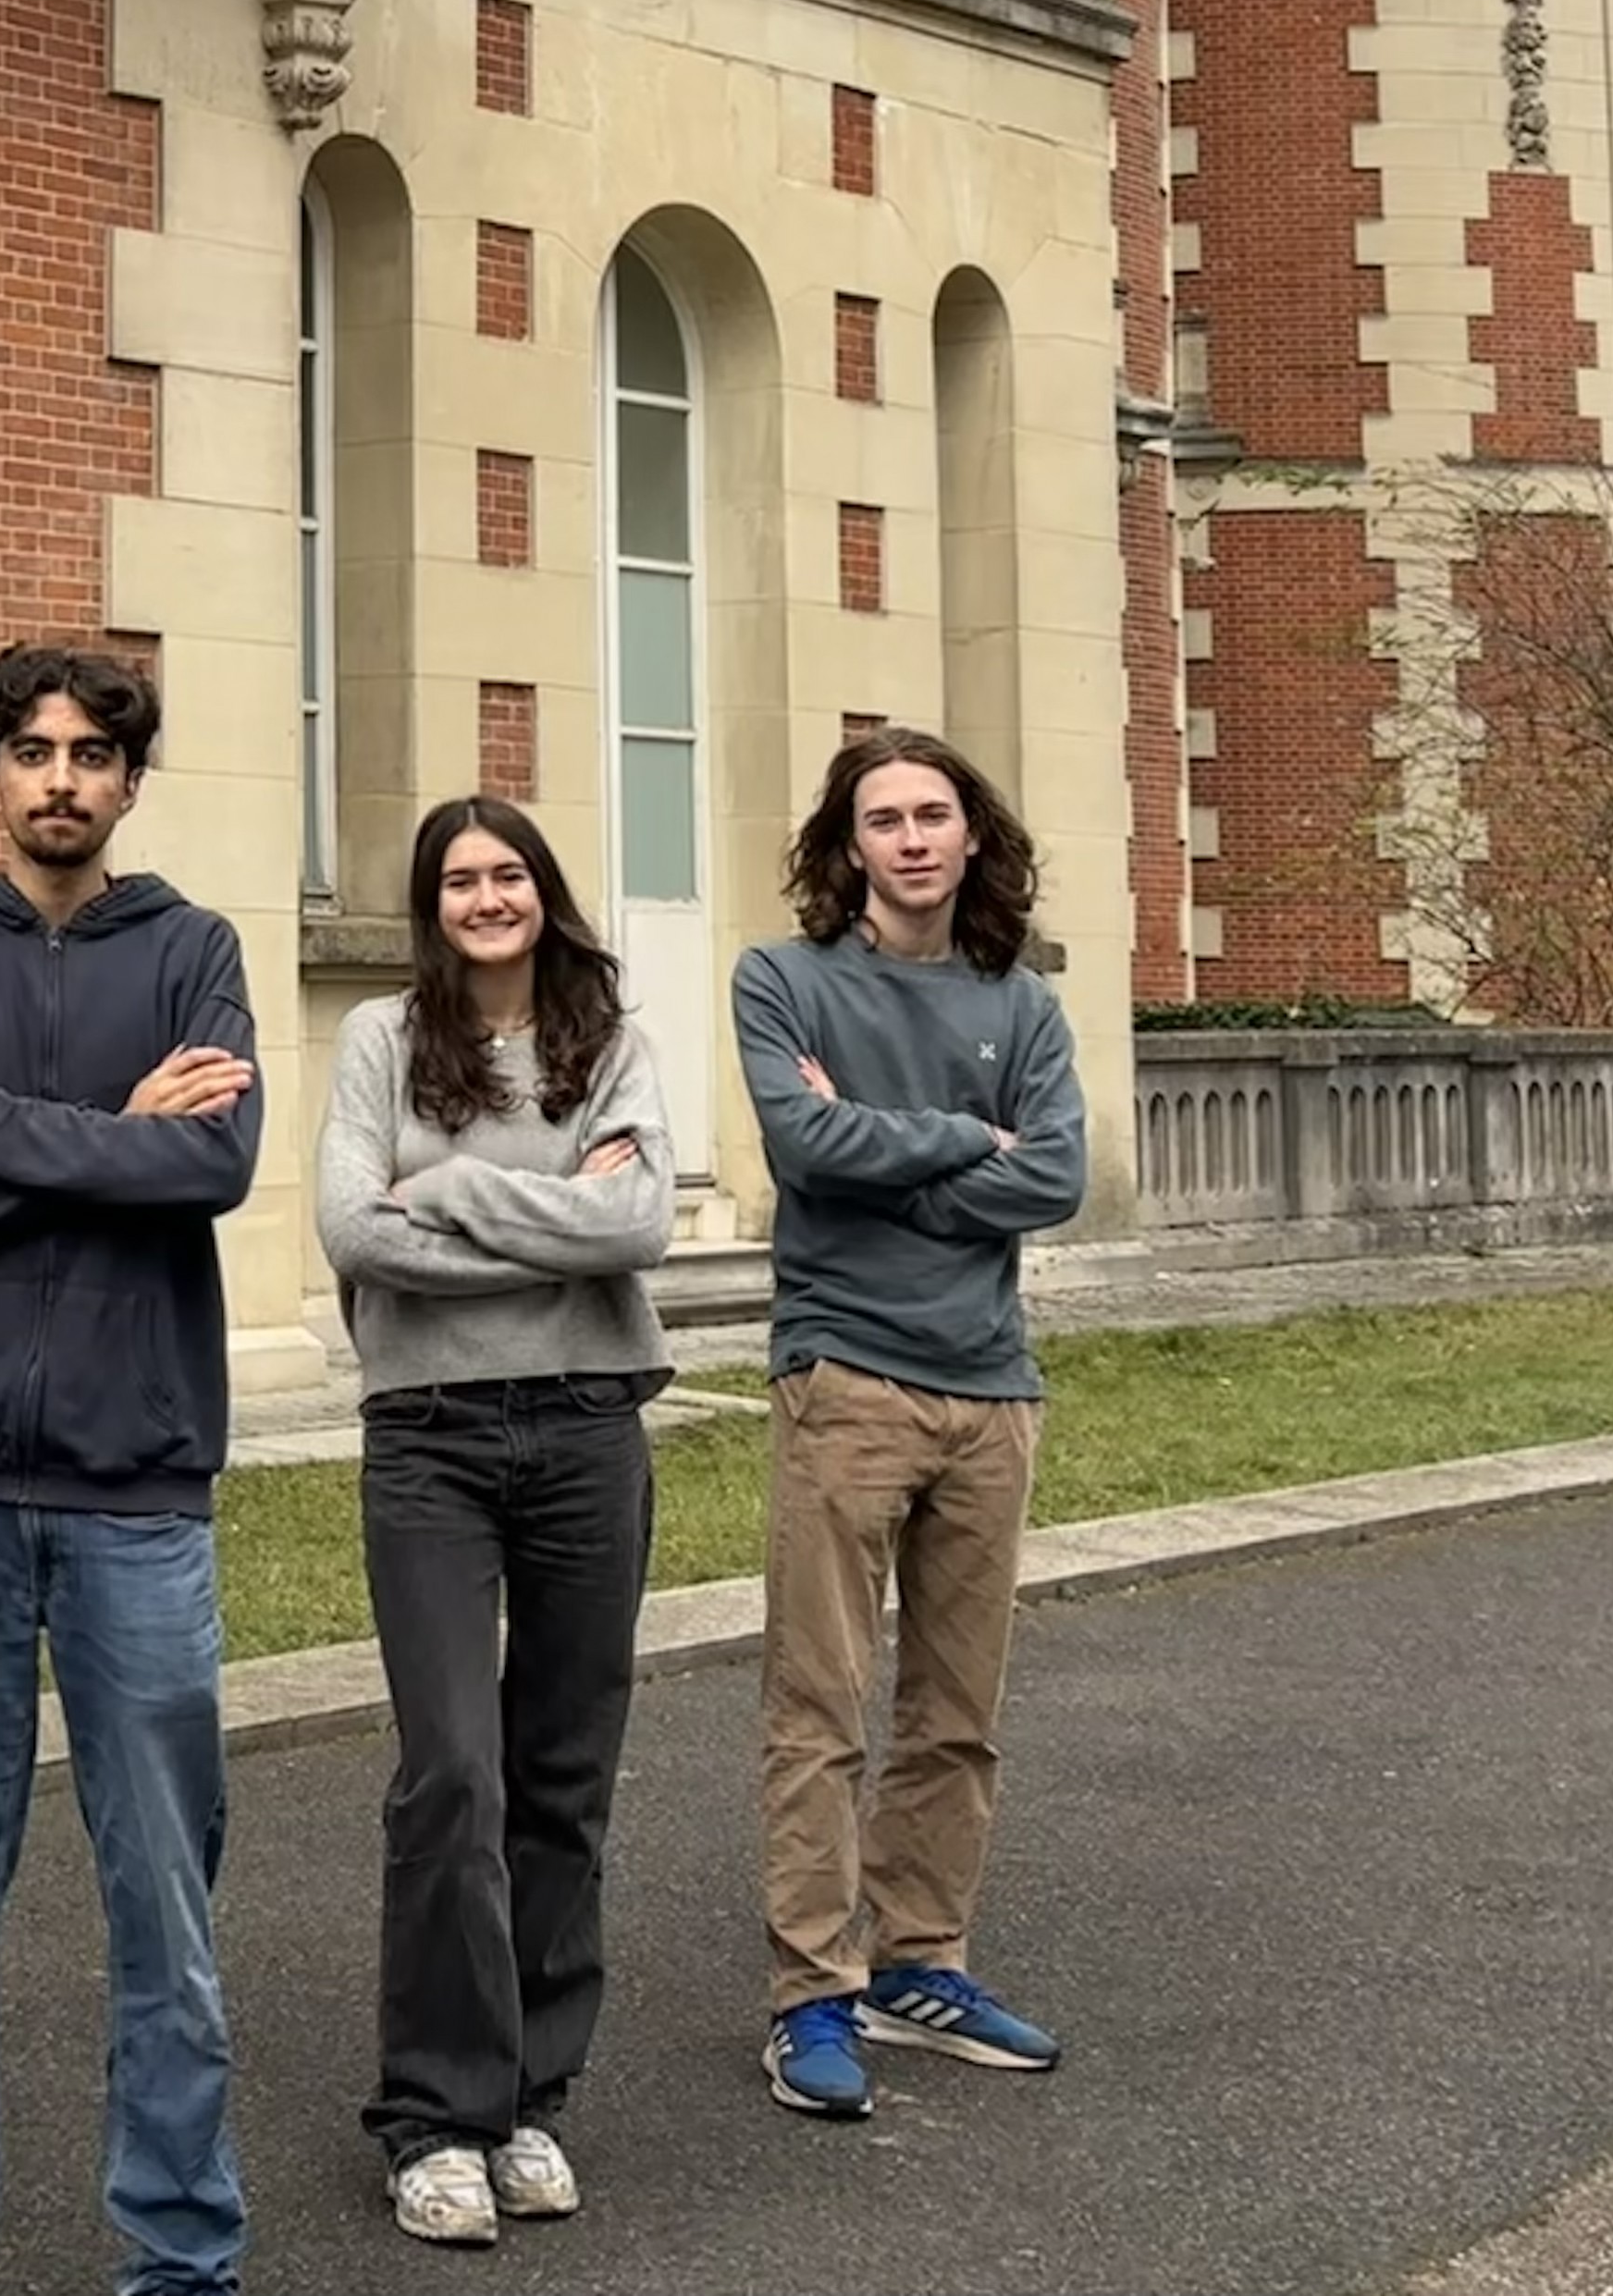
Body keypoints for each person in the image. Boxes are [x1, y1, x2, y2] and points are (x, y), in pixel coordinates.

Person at [0, 642, 265, 2296]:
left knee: (165, 1914)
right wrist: (102, 1131)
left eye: (92, 750)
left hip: (138, 1490)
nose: (61, 776)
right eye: (31, 749)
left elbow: (207, 1159)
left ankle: (178, 2253)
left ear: (130, 778)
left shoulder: (197, 948)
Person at [309, 793, 681, 2249]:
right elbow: (352, 1234)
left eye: (507, 872)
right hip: (432, 1444)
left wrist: (451, 1187)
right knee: (451, 1773)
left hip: (591, 1430)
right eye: (459, 879)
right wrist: (545, 1211)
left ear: (545, 889)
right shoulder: (381, 1044)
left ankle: (529, 2097)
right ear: (431, 903)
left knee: (564, 1770)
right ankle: (432, 2118)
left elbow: (642, 1226)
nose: (485, 895)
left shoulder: (612, 1041)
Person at [733, 725, 1090, 2124]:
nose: (915, 839)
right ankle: (811, 1993)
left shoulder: (1025, 1002)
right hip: (846, 1379)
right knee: (817, 1707)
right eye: (885, 820)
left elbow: (1056, 1175)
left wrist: (890, 1147)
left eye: (935, 815)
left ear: (972, 835)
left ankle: (920, 1964)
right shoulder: (787, 979)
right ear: (849, 846)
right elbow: (803, 1150)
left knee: (958, 1713)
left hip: (991, 1391)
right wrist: (963, 1139)